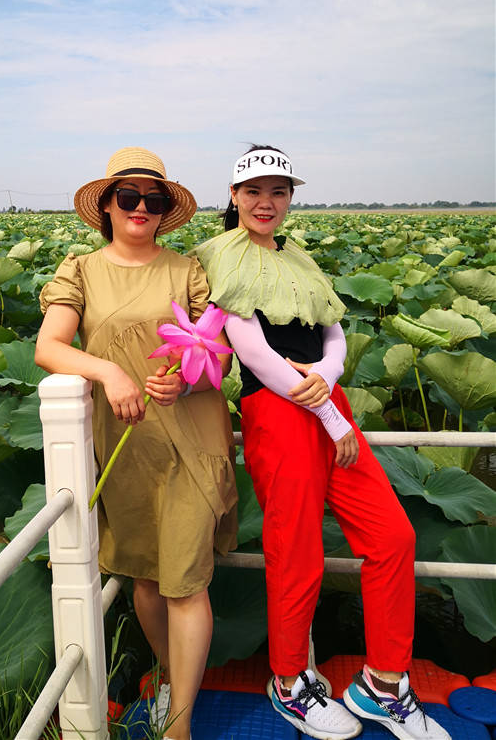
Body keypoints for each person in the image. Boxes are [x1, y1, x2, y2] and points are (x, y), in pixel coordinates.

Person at [193, 144, 451, 740]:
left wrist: (329, 381)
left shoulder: (300, 256)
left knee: (394, 536)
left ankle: (383, 684)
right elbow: (252, 350)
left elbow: (334, 332)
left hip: (323, 399)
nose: (266, 202)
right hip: (276, 411)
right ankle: (290, 683)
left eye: (279, 191)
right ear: (233, 197)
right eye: (254, 191)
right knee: (296, 550)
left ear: (290, 198)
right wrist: (324, 409)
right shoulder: (216, 257)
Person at [35, 147, 237, 740]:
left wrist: (185, 377)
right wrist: (110, 372)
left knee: (186, 580)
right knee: (147, 578)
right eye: (128, 197)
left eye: (153, 199)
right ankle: (173, 678)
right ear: (107, 205)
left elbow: (214, 353)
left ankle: (179, 725)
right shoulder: (80, 268)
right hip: (126, 444)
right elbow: (49, 347)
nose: (141, 207)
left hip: (192, 438)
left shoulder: (187, 269)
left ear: (165, 209)